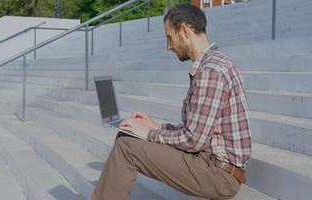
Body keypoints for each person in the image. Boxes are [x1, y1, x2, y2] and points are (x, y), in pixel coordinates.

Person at [92, 3, 251, 200]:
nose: (169, 46)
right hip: (210, 162)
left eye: (170, 37)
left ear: (184, 30)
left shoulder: (211, 72)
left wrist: (150, 134)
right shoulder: (214, 64)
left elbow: (194, 141)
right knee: (126, 138)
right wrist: (155, 125)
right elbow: (198, 130)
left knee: (126, 147)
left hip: (218, 174)